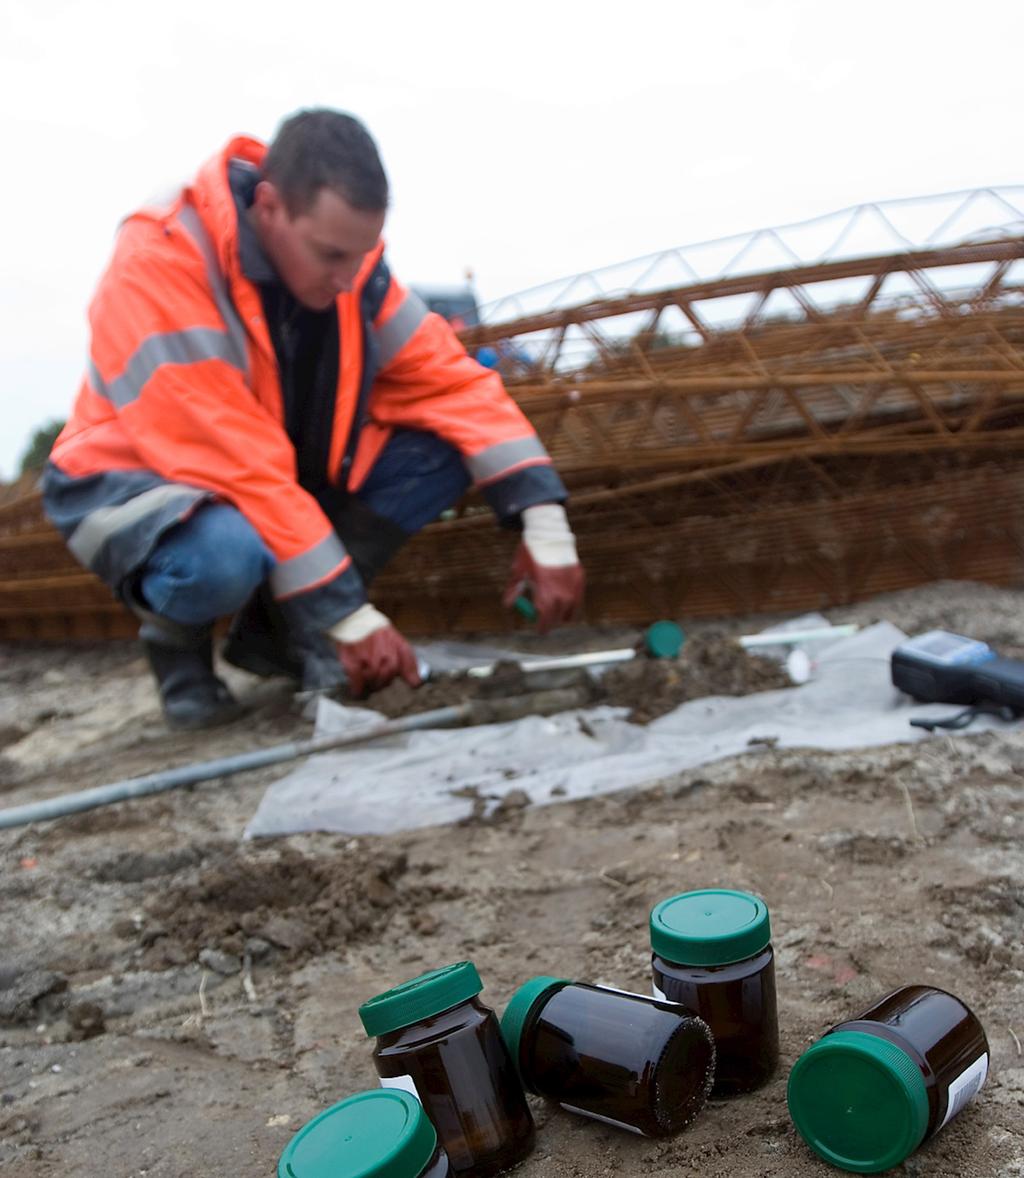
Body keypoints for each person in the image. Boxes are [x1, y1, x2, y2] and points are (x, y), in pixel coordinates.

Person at [42, 109, 585, 730]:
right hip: (135, 485)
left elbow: (453, 385)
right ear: (270, 207)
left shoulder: (352, 274)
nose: (349, 278)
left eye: (360, 255)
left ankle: (280, 637)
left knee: (438, 447)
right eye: (331, 255)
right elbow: (231, 460)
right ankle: (175, 643)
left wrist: (545, 524)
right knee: (220, 556)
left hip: (260, 473)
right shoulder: (161, 261)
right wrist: (348, 616)